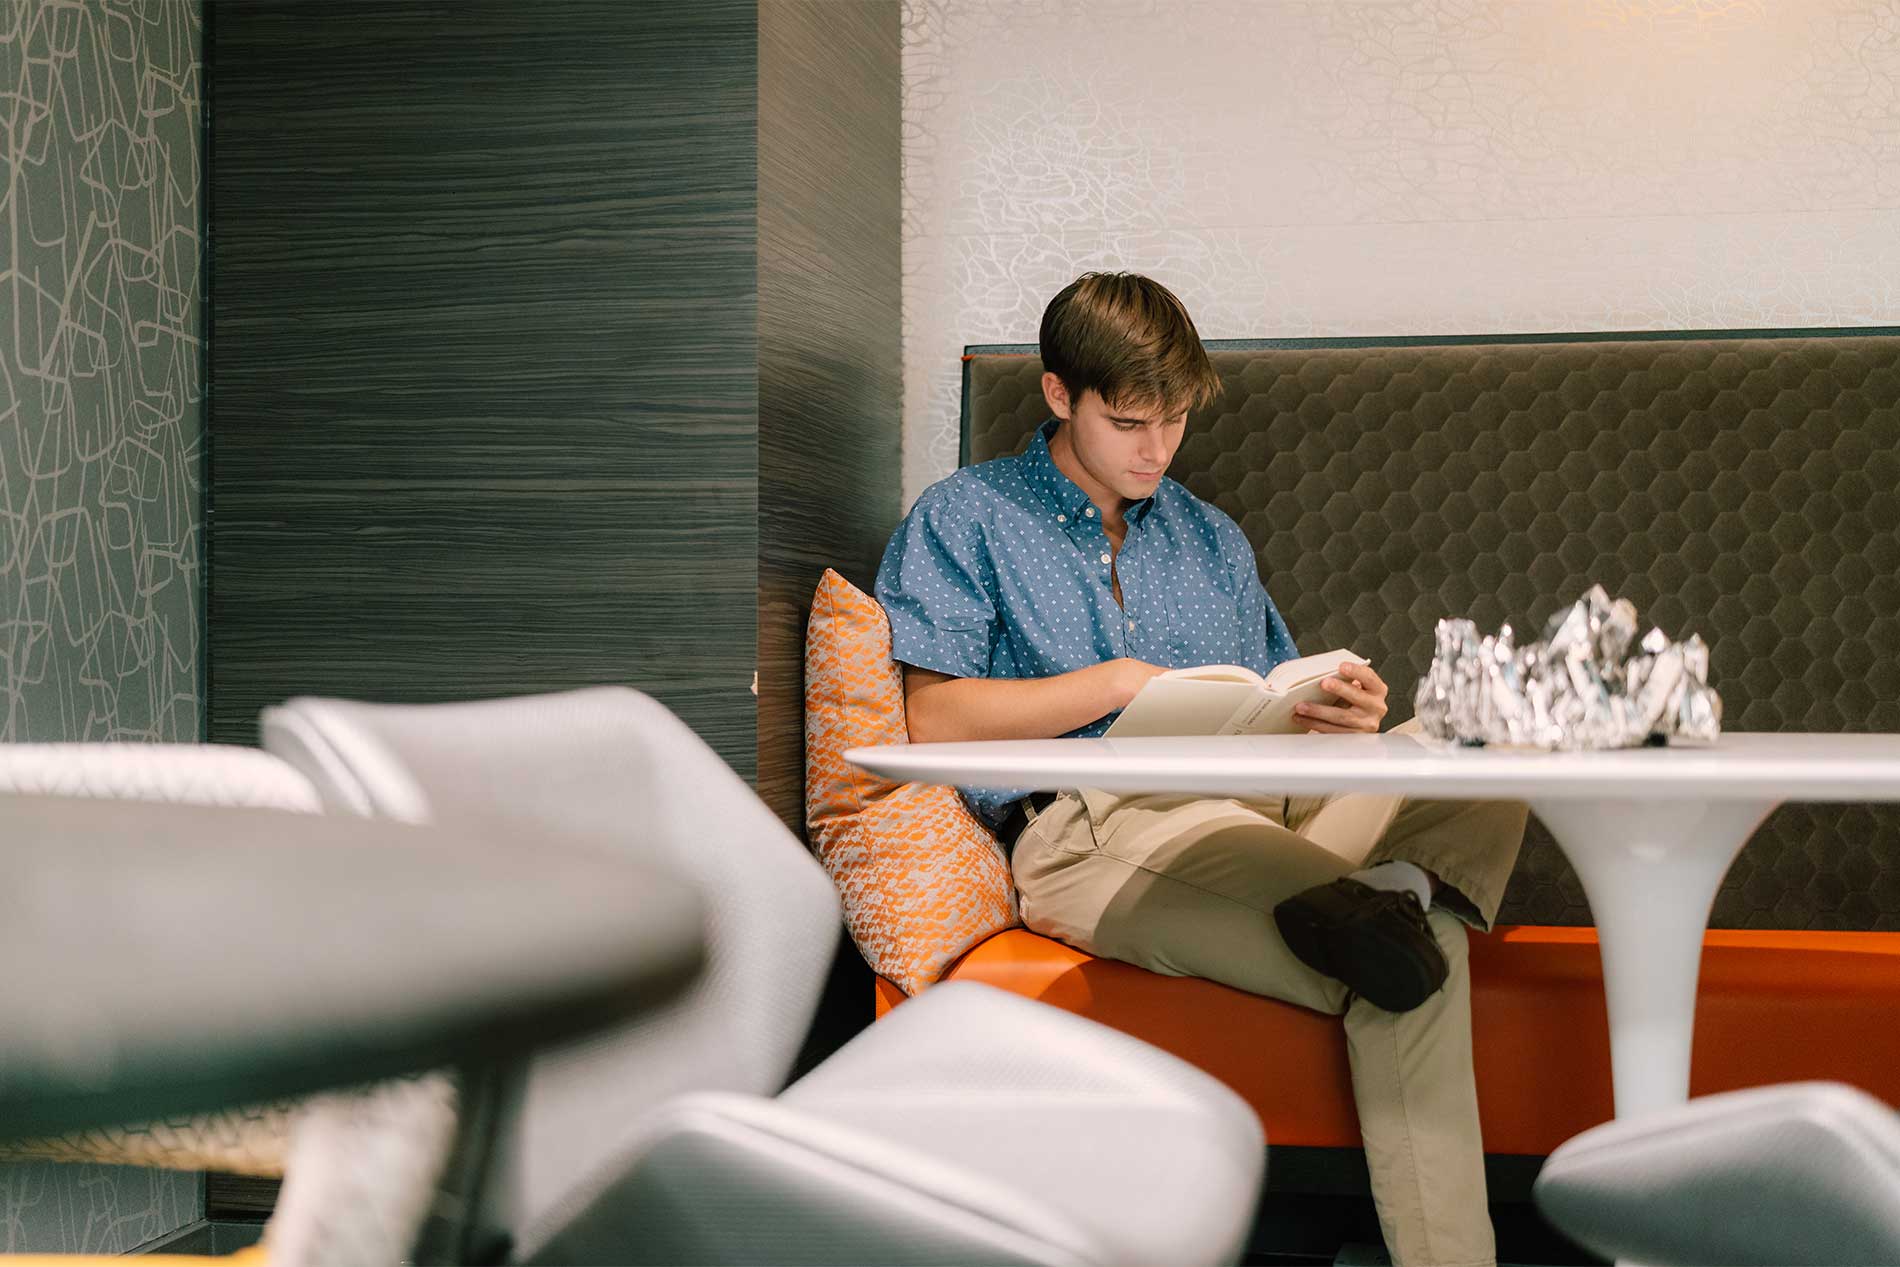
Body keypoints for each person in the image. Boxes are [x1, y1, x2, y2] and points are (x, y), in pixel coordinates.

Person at [874, 271, 1529, 1267]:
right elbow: (933, 716)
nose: (1158, 449)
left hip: (1261, 809)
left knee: (1483, 741)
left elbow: (1269, 699)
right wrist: (1115, 685)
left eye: (1175, 420)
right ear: (1059, 395)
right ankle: (1381, 912)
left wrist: (1341, 713)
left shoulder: (1208, 536)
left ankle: (1390, 887)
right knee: (1419, 963)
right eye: (1131, 421)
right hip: (1098, 828)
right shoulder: (966, 517)